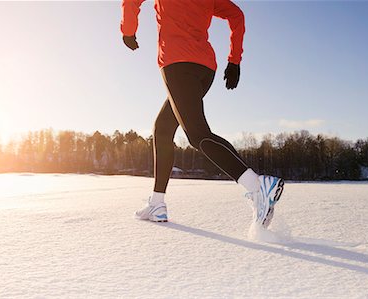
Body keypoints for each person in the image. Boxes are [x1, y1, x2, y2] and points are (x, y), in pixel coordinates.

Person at [121, 0, 284, 227]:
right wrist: (234, 61)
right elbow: (237, 15)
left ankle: (257, 185)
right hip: (205, 68)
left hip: (177, 62)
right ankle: (157, 203)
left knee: (197, 134)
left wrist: (128, 30)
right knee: (163, 129)